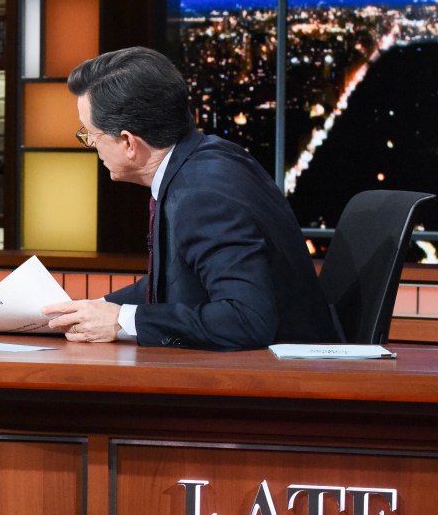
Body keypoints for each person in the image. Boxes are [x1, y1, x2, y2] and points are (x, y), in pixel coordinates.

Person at [43, 46, 337, 349]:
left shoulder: (201, 195)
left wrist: (121, 321)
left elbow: (246, 319)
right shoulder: (205, 160)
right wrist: (93, 309)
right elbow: (178, 281)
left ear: (129, 142)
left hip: (281, 382)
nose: (91, 144)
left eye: (90, 134)